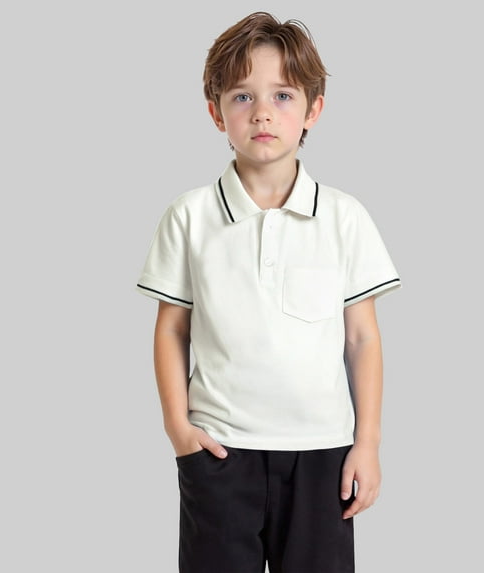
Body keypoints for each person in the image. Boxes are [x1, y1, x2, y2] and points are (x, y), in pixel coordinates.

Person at [136, 11, 401, 573]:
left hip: (324, 452)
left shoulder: (344, 217)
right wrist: (178, 428)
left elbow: (362, 338)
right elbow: (172, 329)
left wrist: (368, 442)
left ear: (313, 110)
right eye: (242, 96)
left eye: (282, 95)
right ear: (216, 112)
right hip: (219, 449)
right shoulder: (189, 216)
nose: (262, 112)